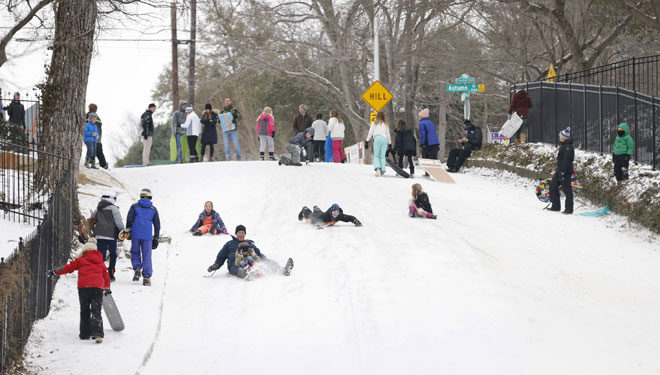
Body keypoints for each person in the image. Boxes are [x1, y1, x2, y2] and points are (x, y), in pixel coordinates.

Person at [47, 238, 111, 343]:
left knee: (84, 310)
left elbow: (67, 268)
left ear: (84, 251)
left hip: (84, 288)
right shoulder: (100, 262)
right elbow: (106, 276)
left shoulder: (80, 260)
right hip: (97, 288)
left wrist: (54, 272)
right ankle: (98, 334)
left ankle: (85, 334)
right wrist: (107, 288)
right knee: (96, 310)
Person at [206, 225, 294, 279]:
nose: (241, 234)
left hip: (249, 260)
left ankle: (282, 270)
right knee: (234, 266)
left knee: (263, 258)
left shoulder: (249, 243)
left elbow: (258, 253)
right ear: (236, 234)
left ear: (245, 234)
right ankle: (244, 273)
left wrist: (255, 253)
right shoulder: (230, 244)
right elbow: (222, 255)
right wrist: (216, 265)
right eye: (239, 232)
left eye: (242, 233)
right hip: (235, 262)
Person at [125, 188, 161, 285]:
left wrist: (128, 231)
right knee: (147, 255)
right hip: (147, 235)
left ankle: (137, 269)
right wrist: (156, 238)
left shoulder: (134, 206)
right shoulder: (153, 209)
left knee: (135, 252)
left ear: (141, 196)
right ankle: (146, 277)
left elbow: (129, 219)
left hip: (135, 234)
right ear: (150, 197)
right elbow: (157, 225)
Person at [93, 191, 124, 282]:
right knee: (113, 254)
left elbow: (93, 218)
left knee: (100, 255)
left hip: (99, 235)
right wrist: (123, 231)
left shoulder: (98, 208)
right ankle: (111, 273)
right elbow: (118, 222)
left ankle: (99, 273)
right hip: (111, 235)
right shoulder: (114, 209)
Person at [548, 127, 574, 214]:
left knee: (567, 190)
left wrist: (563, 171)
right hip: (560, 170)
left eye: (560, 136)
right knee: (552, 185)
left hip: (565, 171)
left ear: (564, 138)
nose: (559, 137)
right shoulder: (563, 145)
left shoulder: (568, 147)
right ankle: (555, 206)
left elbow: (567, 160)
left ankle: (569, 209)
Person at [365, 111, 392, 176]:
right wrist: (390, 143)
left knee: (376, 155)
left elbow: (370, 132)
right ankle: (383, 170)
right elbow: (388, 134)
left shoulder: (374, 123)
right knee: (382, 156)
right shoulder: (386, 124)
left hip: (377, 139)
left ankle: (378, 169)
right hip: (384, 139)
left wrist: (367, 140)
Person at [297, 203, 362, 227]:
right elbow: (314, 220)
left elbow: (349, 217)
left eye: (337, 212)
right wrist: (318, 224)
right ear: (331, 212)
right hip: (316, 215)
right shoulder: (324, 217)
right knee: (311, 215)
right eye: (334, 212)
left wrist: (355, 221)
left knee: (318, 211)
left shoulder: (339, 216)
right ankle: (305, 209)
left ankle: (316, 207)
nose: (335, 213)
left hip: (320, 212)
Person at [219, 96, 242, 160]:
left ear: (230, 101)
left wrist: (234, 120)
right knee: (226, 145)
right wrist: (219, 120)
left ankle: (238, 157)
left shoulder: (234, 109)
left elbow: (239, 117)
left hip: (233, 130)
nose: (227, 102)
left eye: (228, 100)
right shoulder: (222, 110)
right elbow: (218, 118)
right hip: (225, 130)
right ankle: (228, 157)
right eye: (226, 101)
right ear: (224, 102)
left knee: (236, 144)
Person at [87, 104, 108, 169]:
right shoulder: (95, 116)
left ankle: (100, 163)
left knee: (96, 150)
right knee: (98, 150)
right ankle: (103, 164)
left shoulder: (88, 115)